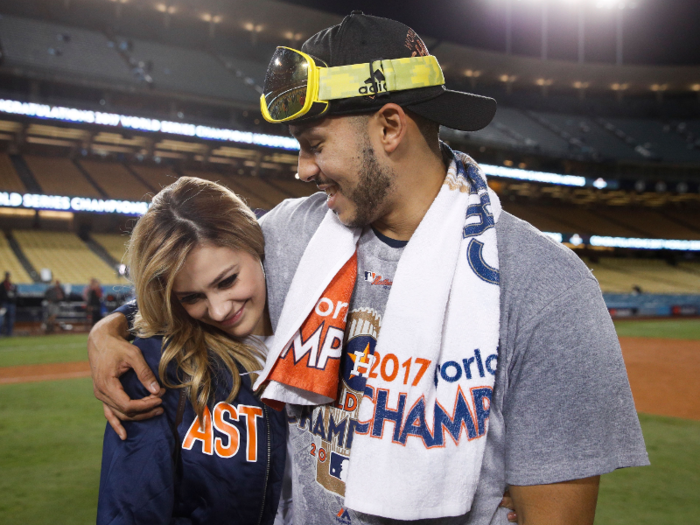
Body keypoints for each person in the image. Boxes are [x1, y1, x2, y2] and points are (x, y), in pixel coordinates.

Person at [89, 12, 648, 525]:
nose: (302, 169)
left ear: (389, 127)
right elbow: (195, 282)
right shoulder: (291, 234)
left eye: (315, 144)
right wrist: (109, 331)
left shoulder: (547, 286)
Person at [97, 177, 286, 524]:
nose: (218, 311)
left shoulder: (324, 325)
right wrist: (110, 327)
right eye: (191, 297)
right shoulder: (156, 367)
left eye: (227, 280)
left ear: (255, 243)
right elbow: (130, 510)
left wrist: (107, 326)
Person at [0, 271, 18, 336]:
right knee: (1, 319)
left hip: (11, 304)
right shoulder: (2, 285)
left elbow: (15, 294)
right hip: (4, 304)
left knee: (10, 319)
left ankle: (9, 333)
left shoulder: (11, 285)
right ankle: (1, 333)